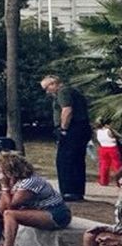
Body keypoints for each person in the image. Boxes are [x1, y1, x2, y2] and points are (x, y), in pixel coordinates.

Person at [0, 151, 73, 246]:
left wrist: (5, 187)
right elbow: (2, 206)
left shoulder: (30, 182)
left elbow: (12, 205)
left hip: (55, 213)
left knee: (9, 214)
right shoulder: (17, 181)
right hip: (40, 211)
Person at [42, 74, 92, 202]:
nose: (47, 92)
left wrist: (63, 129)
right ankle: (77, 191)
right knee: (77, 160)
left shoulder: (63, 92)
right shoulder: (73, 90)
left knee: (65, 160)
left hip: (73, 128)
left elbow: (67, 110)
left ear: (54, 84)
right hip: (82, 128)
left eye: (47, 88)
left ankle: (68, 191)